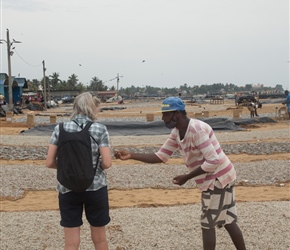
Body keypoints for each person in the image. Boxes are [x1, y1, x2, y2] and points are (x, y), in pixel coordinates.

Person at [114, 97, 247, 250]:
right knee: (228, 220)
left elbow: (213, 161)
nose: (163, 119)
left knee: (207, 223)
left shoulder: (196, 130)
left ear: (177, 114)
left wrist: (187, 177)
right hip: (222, 175)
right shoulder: (177, 132)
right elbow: (161, 156)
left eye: (165, 114)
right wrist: (131, 155)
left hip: (218, 178)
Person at [46, 92, 112, 250]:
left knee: (71, 241)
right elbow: (107, 163)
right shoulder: (99, 128)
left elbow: (49, 162)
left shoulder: (60, 128)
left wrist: (65, 169)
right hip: (95, 188)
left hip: (67, 187)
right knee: (100, 239)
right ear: (92, 107)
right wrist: (95, 169)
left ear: (75, 107)